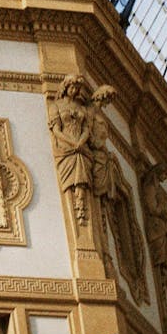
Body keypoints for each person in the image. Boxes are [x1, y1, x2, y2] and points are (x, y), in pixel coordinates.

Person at [47, 75, 92, 224]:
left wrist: (81, 141)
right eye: (72, 87)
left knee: (82, 180)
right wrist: (72, 143)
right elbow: (57, 130)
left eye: (77, 88)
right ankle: (77, 208)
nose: (74, 91)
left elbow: (86, 129)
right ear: (65, 87)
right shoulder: (56, 106)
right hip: (66, 149)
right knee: (71, 180)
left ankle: (82, 208)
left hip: (80, 148)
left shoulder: (80, 108)